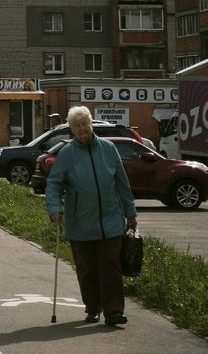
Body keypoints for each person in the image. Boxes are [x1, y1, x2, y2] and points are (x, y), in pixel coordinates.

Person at [45, 105, 137, 327]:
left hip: (111, 220)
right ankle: (93, 307)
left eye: (84, 124)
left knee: (110, 267)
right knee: (86, 269)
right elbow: (54, 183)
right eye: (76, 125)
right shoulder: (67, 154)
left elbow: (122, 183)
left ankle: (114, 311)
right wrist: (54, 208)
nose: (81, 129)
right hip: (80, 223)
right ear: (71, 129)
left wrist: (130, 213)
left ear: (91, 124)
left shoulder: (108, 148)